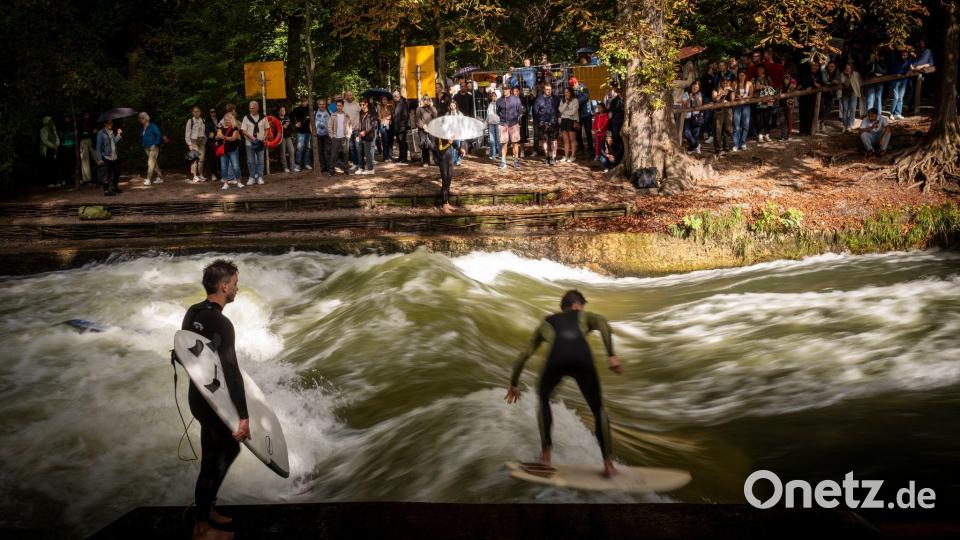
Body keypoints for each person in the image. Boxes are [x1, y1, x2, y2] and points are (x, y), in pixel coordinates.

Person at [504, 290, 623, 478]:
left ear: (564, 307)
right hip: (582, 359)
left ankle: (545, 456)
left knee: (543, 398)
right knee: (598, 409)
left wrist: (514, 383)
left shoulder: (546, 322)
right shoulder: (584, 315)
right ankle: (608, 465)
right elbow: (602, 322)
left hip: (556, 360)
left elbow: (524, 354)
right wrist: (611, 355)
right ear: (577, 305)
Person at [181, 259, 249, 540]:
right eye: (234, 283)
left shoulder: (192, 312)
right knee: (216, 459)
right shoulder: (222, 322)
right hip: (213, 402)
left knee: (222, 453)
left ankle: (207, 509)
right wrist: (243, 415)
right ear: (223, 286)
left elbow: (185, 351)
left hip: (198, 397)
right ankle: (201, 528)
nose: (236, 288)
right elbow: (231, 371)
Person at [240, 101, 267, 185]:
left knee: (261, 160)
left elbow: (267, 129)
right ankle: (251, 177)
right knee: (250, 161)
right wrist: (252, 138)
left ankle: (260, 177)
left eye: (253, 108)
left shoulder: (263, 117)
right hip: (249, 143)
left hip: (260, 143)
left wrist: (264, 137)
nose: (251, 109)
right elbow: (243, 130)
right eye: (250, 108)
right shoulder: (246, 118)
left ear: (257, 108)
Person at [325, 99, 354, 176]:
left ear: (343, 106)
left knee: (346, 154)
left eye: (340, 105)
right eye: (337, 106)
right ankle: (331, 171)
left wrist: (349, 135)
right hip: (335, 138)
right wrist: (331, 136)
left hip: (345, 137)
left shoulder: (346, 115)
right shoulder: (333, 115)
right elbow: (329, 126)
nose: (339, 107)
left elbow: (350, 125)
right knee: (334, 155)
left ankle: (346, 170)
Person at [497, 86, 524, 170]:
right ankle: (503, 161)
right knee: (503, 143)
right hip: (502, 124)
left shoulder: (516, 99)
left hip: (513, 123)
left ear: (509, 90)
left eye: (506, 89)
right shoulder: (499, 100)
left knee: (515, 143)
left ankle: (516, 161)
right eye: (503, 89)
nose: (504, 91)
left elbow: (519, 111)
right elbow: (498, 111)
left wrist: (515, 119)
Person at [534, 84, 560, 165]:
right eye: (547, 89)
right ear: (544, 90)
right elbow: (535, 111)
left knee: (554, 140)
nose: (548, 91)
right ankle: (547, 157)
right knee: (544, 141)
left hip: (553, 122)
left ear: (552, 89)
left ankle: (553, 157)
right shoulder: (539, 99)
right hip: (543, 123)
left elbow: (559, 109)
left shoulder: (555, 98)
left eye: (550, 89)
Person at [95, 119, 122, 196]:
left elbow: (114, 142)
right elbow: (98, 147)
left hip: (114, 156)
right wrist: (99, 159)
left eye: (111, 123)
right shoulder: (101, 133)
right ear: (105, 124)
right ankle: (106, 191)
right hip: (106, 157)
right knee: (106, 174)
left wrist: (118, 135)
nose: (111, 124)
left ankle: (114, 187)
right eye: (109, 123)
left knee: (117, 172)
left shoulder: (111, 132)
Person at [217, 113, 243, 190]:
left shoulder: (235, 128)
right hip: (223, 150)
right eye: (225, 120)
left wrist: (223, 137)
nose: (226, 121)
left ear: (231, 120)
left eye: (228, 120)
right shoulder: (220, 128)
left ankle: (239, 182)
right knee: (223, 167)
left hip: (233, 149)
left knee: (235, 166)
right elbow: (218, 136)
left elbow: (233, 138)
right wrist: (218, 134)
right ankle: (225, 183)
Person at [138, 112, 164, 185]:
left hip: (153, 147)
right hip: (146, 147)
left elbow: (158, 134)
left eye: (142, 118)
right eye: (140, 118)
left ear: (146, 118)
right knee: (154, 163)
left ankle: (148, 179)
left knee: (150, 162)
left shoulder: (152, 126)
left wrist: (155, 143)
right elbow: (142, 136)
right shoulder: (143, 128)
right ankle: (160, 178)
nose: (141, 120)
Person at [753, 65, 776, 142]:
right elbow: (754, 87)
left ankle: (767, 134)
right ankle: (760, 135)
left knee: (768, 118)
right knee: (759, 118)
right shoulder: (755, 78)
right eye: (758, 70)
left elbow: (771, 87)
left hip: (768, 99)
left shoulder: (767, 77)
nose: (759, 71)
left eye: (760, 69)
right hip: (759, 100)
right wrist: (763, 86)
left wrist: (762, 86)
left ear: (763, 70)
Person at [680, 81, 704, 155]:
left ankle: (691, 149)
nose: (695, 88)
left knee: (695, 135)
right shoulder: (686, 94)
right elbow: (686, 105)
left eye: (697, 87)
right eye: (694, 87)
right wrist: (690, 98)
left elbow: (700, 105)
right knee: (686, 133)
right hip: (688, 117)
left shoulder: (699, 94)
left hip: (697, 117)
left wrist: (696, 98)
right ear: (691, 86)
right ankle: (697, 146)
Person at [712, 78, 735, 154]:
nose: (725, 84)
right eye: (723, 82)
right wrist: (722, 93)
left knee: (728, 129)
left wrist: (731, 91)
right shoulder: (716, 89)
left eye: (726, 82)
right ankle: (718, 149)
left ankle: (726, 147)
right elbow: (715, 99)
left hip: (728, 110)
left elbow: (732, 100)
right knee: (717, 130)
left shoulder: (730, 90)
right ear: (720, 83)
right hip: (718, 111)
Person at [355, 100, 378, 175]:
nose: (362, 106)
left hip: (369, 135)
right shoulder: (361, 113)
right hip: (361, 134)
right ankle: (361, 168)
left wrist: (365, 132)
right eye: (360, 105)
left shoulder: (372, 113)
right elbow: (360, 124)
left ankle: (371, 169)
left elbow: (373, 125)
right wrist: (358, 134)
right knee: (360, 151)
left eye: (363, 104)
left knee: (367, 152)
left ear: (367, 104)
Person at [863, 46, 887, 117]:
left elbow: (885, 67)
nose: (875, 51)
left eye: (876, 50)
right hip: (870, 78)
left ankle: (878, 114)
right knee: (870, 98)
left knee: (878, 97)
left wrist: (878, 60)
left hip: (879, 79)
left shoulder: (882, 57)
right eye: (874, 49)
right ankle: (869, 115)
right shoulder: (867, 56)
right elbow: (864, 66)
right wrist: (870, 61)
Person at [290, 96, 312, 171]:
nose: (304, 102)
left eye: (305, 101)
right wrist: (295, 124)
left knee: (308, 148)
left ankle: (306, 163)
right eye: (302, 101)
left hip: (309, 131)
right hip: (300, 132)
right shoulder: (297, 109)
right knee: (299, 148)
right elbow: (290, 117)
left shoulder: (311, 109)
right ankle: (298, 165)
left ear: (308, 101)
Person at [185, 106, 207, 183]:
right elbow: (187, 133)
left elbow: (205, 132)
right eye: (194, 111)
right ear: (192, 112)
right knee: (194, 159)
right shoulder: (190, 121)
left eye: (197, 111)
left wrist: (205, 139)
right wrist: (189, 144)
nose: (196, 113)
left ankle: (200, 175)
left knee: (201, 159)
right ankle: (195, 176)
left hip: (202, 141)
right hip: (193, 140)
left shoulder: (203, 120)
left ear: (200, 112)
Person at [732, 70, 753, 151]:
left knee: (745, 125)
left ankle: (743, 142)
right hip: (737, 105)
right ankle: (735, 144)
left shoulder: (749, 83)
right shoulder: (734, 83)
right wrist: (736, 97)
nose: (741, 77)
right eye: (740, 75)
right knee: (736, 125)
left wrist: (744, 98)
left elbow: (751, 95)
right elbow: (732, 93)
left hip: (746, 105)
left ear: (745, 75)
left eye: (743, 75)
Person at [558, 86, 579, 162]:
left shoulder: (575, 100)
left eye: (567, 92)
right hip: (564, 121)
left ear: (571, 92)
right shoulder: (563, 100)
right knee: (565, 140)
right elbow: (560, 110)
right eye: (565, 92)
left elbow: (573, 112)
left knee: (572, 139)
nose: (566, 93)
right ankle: (566, 156)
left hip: (572, 121)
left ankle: (573, 156)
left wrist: (565, 112)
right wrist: (566, 103)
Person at [839, 63, 862, 132]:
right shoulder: (842, 75)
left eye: (849, 68)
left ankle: (850, 125)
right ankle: (845, 125)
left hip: (853, 93)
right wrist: (848, 76)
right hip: (845, 94)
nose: (847, 69)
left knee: (852, 109)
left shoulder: (856, 74)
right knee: (845, 110)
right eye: (846, 68)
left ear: (851, 68)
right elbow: (845, 84)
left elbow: (859, 82)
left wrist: (859, 90)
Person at [416, 95, 438, 167]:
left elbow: (435, 117)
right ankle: (426, 161)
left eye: (428, 99)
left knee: (433, 144)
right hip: (422, 129)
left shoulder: (432, 108)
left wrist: (432, 106)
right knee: (424, 145)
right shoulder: (419, 109)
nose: (426, 101)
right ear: (422, 100)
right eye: (425, 99)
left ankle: (436, 160)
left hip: (432, 129)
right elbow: (418, 119)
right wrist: (423, 126)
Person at [889, 50, 911, 120]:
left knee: (901, 97)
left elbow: (910, 68)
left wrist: (909, 72)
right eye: (902, 55)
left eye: (905, 55)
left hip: (904, 81)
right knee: (896, 97)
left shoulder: (908, 61)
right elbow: (896, 71)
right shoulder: (896, 61)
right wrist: (904, 73)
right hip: (895, 81)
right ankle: (892, 113)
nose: (903, 56)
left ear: (907, 55)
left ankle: (898, 113)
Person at [343, 91, 361, 168]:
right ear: (346, 96)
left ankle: (360, 163)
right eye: (348, 95)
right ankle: (355, 163)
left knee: (358, 146)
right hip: (348, 130)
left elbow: (362, 114)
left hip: (357, 129)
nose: (350, 96)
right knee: (351, 147)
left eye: (351, 95)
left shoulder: (357, 104)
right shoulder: (343, 104)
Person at [58, 114, 76, 186]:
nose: (67, 120)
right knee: (65, 165)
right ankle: (65, 180)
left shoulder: (72, 127)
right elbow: (61, 136)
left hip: (71, 147)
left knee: (72, 164)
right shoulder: (62, 127)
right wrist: (66, 134)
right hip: (64, 147)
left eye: (68, 118)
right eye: (66, 118)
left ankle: (71, 180)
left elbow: (74, 136)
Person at [778, 75, 798, 141]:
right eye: (785, 79)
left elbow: (794, 88)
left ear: (789, 80)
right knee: (782, 121)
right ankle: (783, 136)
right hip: (781, 105)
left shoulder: (792, 85)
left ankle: (789, 135)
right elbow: (779, 94)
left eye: (787, 79)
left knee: (789, 120)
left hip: (789, 104)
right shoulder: (781, 86)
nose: (786, 80)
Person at [391, 91, 409, 163]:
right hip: (399, 127)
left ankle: (403, 158)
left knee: (402, 143)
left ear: (397, 96)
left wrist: (401, 125)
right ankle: (401, 157)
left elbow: (403, 116)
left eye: (393, 97)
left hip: (401, 127)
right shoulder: (398, 103)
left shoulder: (402, 103)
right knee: (400, 143)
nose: (393, 99)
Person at [78, 112, 97, 183]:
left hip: (91, 141)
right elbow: (80, 134)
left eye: (87, 114)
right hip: (83, 141)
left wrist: (91, 133)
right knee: (85, 160)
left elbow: (94, 131)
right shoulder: (80, 122)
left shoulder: (91, 122)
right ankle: (86, 179)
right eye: (85, 115)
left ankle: (101, 176)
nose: (87, 116)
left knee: (97, 158)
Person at [314, 98, 331, 173]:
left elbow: (333, 122)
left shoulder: (329, 112)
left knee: (327, 151)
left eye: (323, 104)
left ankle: (328, 167)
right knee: (319, 151)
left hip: (327, 135)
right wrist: (313, 133)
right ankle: (322, 166)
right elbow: (311, 124)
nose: (322, 105)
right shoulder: (314, 113)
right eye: (320, 104)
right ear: (318, 105)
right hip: (317, 134)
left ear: (325, 105)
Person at [277, 106, 295, 173]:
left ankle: (292, 167)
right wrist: (282, 127)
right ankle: (285, 167)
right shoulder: (277, 119)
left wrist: (293, 127)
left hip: (288, 137)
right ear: (278, 111)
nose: (283, 111)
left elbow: (290, 128)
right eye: (281, 110)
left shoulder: (287, 118)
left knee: (292, 151)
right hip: (281, 137)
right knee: (283, 153)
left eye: (284, 110)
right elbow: (276, 129)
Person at [205, 108, 221, 181]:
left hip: (220, 141)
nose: (213, 113)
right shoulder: (207, 122)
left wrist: (215, 134)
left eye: (214, 112)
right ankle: (213, 174)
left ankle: (221, 173)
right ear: (209, 113)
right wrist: (216, 135)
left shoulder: (220, 120)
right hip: (211, 142)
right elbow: (208, 133)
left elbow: (223, 130)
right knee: (212, 158)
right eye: (211, 112)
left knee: (221, 158)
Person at [485, 88, 501, 161]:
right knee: (492, 140)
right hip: (491, 123)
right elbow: (488, 114)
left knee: (498, 139)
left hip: (498, 123)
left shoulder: (500, 104)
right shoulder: (490, 104)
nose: (494, 97)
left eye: (495, 96)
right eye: (492, 96)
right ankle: (493, 154)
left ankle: (500, 154)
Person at [378, 95, 394, 161]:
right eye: (383, 99)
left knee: (390, 141)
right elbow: (379, 117)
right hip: (383, 125)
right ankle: (385, 157)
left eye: (386, 99)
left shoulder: (390, 107)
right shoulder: (379, 107)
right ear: (381, 100)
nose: (384, 101)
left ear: (387, 100)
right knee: (385, 142)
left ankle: (390, 156)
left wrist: (388, 117)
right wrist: (383, 119)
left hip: (390, 125)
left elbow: (393, 115)